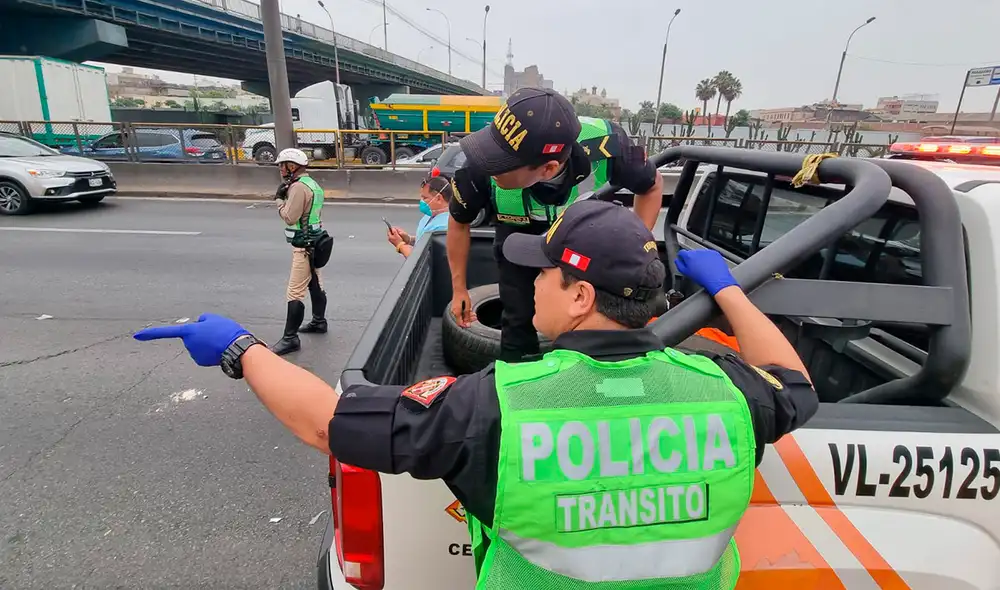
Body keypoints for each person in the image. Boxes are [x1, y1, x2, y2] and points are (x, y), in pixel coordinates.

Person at [133, 199, 818, 588]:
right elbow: (795, 386)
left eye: (543, 276)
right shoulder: (726, 391)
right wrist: (727, 288)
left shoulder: (499, 405)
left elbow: (326, 424)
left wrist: (239, 350)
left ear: (580, 297)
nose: (529, 287)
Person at [447, 87, 664, 363]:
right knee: (517, 318)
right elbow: (458, 222)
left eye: (499, 162)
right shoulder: (479, 167)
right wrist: (459, 289)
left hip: (584, 238)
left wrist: (632, 251)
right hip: (519, 238)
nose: (487, 163)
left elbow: (652, 186)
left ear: (548, 168)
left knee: (599, 320)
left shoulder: (609, 144)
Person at [273, 148, 328, 355]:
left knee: (295, 292)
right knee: (315, 282)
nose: (280, 169)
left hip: (304, 245)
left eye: (282, 165)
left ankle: (290, 338)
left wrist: (279, 201)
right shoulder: (312, 184)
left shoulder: (297, 188)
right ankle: (319, 322)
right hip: (315, 240)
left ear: (292, 166)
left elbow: (290, 217)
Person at [387, 176, 452, 258]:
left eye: (425, 198)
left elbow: (422, 260)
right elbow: (425, 241)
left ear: (439, 198)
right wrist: (409, 239)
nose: (421, 201)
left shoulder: (444, 227)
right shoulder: (431, 215)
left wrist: (400, 245)